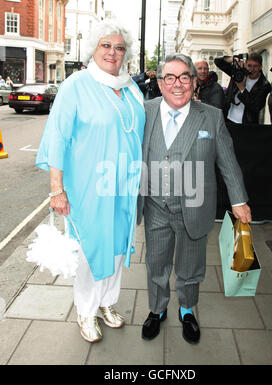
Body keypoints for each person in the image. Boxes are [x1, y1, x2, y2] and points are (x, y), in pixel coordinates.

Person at [36, 20, 145, 343]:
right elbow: (57, 137)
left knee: (116, 246)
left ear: (126, 54)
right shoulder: (76, 85)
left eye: (119, 47)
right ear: (94, 48)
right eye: (106, 45)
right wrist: (57, 189)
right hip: (87, 187)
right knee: (90, 249)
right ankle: (85, 310)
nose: (113, 53)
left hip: (122, 187)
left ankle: (106, 303)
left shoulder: (130, 87)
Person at [137, 53, 251, 344]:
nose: (178, 84)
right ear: (160, 83)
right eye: (170, 78)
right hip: (155, 207)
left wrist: (239, 200)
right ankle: (157, 310)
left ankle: (187, 310)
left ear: (194, 81)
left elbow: (228, 161)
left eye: (184, 77)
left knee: (190, 267)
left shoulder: (211, 116)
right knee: (156, 263)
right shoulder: (143, 112)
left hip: (194, 208)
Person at [214, 52, 271, 124]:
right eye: (249, 66)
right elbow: (218, 61)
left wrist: (242, 89)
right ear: (246, 64)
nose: (252, 69)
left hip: (247, 124)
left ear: (260, 67)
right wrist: (233, 59)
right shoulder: (239, 73)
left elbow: (256, 107)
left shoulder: (264, 85)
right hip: (228, 119)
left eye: (255, 66)